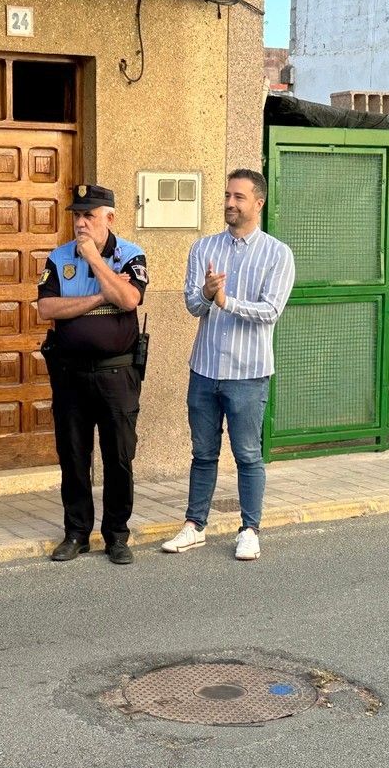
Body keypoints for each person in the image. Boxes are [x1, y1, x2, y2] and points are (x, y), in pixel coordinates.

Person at [161, 169, 295, 561]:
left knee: (248, 455)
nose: (230, 203)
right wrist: (206, 293)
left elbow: (271, 311)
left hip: (248, 374)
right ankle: (194, 526)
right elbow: (192, 305)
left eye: (239, 197)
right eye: (226, 196)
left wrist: (227, 302)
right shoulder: (204, 248)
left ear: (258, 203)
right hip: (204, 370)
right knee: (203, 453)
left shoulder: (277, 254)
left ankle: (250, 530)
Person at [35, 184, 148, 565]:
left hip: (117, 374)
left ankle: (117, 535)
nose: (81, 223)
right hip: (71, 374)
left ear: (109, 218)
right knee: (73, 456)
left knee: (119, 457)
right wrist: (101, 296)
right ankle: (77, 533)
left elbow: (129, 299)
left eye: (89, 216)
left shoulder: (130, 255)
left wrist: (96, 261)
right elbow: (47, 308)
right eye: (77, 216)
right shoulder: (58, 258)